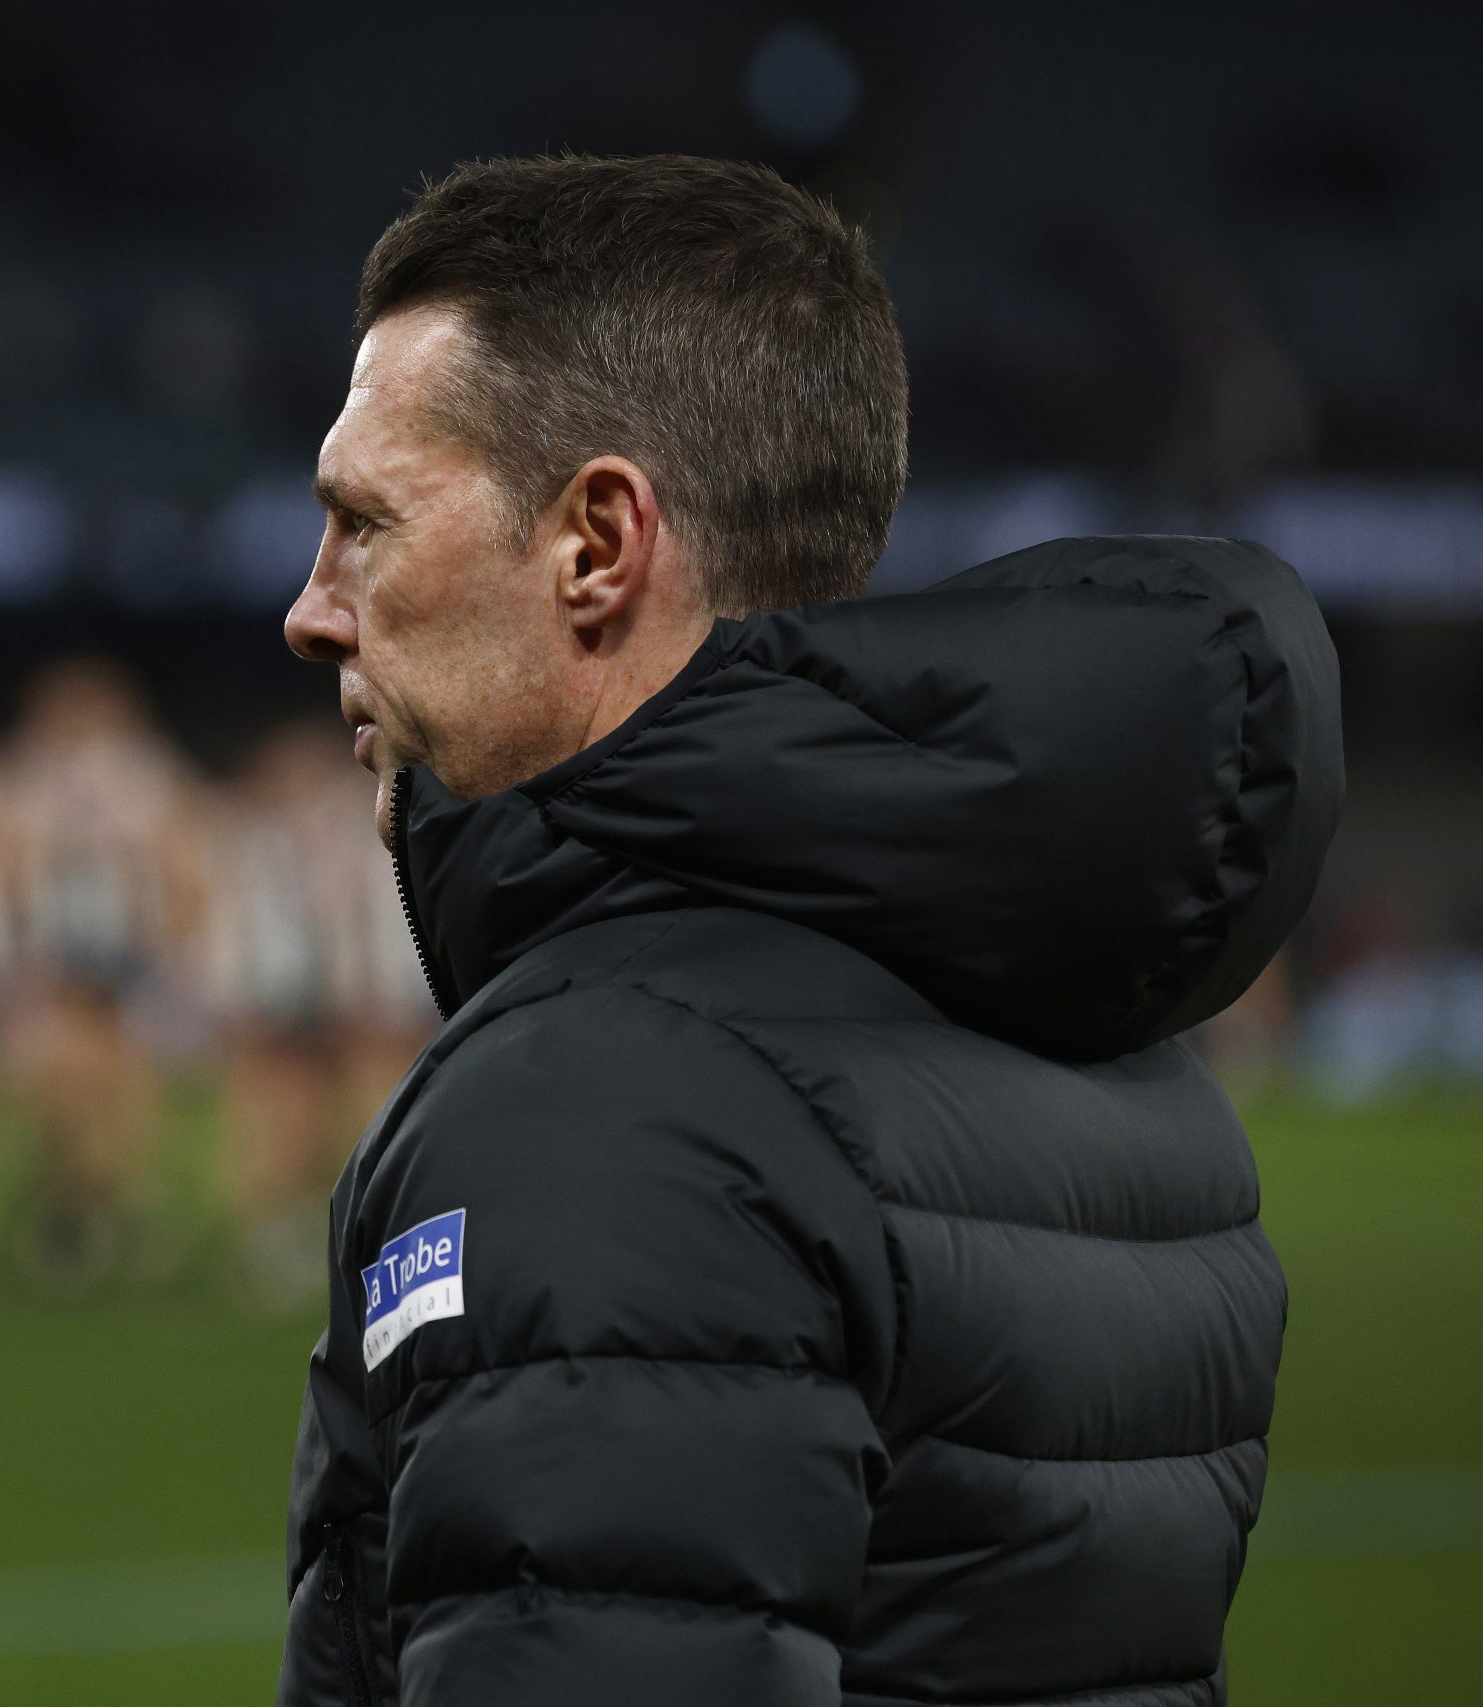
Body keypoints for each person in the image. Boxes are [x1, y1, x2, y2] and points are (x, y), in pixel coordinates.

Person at [276, 155, 1341, 1706]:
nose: (313, 607)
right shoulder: (1107, 1043)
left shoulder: (605, 1094)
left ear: (598, 543)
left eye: (364, 521)